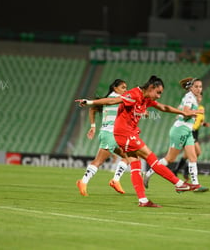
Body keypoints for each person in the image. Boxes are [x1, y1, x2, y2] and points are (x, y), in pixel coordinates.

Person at [76, 75, 202, 208]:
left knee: (135, 165)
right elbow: (113, 101)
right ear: (151, 87)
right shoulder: (134, 94)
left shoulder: (146, 99)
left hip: (126, 133)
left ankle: (143, 200)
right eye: (158, 92)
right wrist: (89, 102)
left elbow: (163, 107)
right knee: (150, 157)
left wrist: (183, 113)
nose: (159, 96)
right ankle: (179, 184)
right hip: (124, 133)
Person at [143, 78, 209, 192]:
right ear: (191, 87)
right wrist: (197, 112)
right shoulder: (189, 97)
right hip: (181, 129)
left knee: (193, 157)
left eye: (200, 86)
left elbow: (181, 111)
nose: (199, 89)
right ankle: (148, 174)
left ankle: (196, 185)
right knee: (170, 158)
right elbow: (186, 113)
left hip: (188, 130)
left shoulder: (191, 98)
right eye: (196, 86)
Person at [76, 79, 136, 196]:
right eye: (123, 87)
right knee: (99, 161)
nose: (126, 90)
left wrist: (93, 126)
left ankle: (115, 180)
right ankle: (83, 182)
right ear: (115, 88)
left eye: (126, 87)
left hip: (114, 134)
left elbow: (93, 109)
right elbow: (93, 107)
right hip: (109, 134)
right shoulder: (114, 99)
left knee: (129, 156)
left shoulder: (115, 99)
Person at [172, 93, 210, 180]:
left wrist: (204, 124)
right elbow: (182, 112)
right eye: (197, 97)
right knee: (198, 152)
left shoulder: (201, 108)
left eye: (200, 97)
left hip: (196, 131)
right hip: (190, 130)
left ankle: (177, 170)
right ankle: (185, 170)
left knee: (187, 154)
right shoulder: (190, 106)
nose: (199, 98)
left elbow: (199, 120)